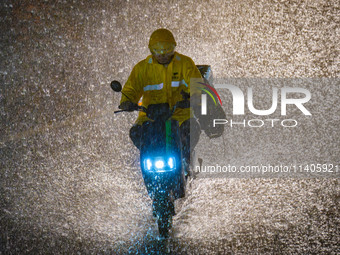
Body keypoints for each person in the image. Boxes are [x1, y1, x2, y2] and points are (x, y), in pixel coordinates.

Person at [119, 28, 202, 170]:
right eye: (158, 50)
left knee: (191, 130)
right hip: (149, 117)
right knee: (135, 133)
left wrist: (193, 98)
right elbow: (131, 88)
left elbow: (197, 85)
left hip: (179, 115)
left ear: (174, 48)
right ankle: (148, 158)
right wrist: (126, 102)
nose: (163, 54)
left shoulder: (185, 63)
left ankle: (186, 160)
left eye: (167, 49)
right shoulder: (141, 68)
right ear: (151, 50)